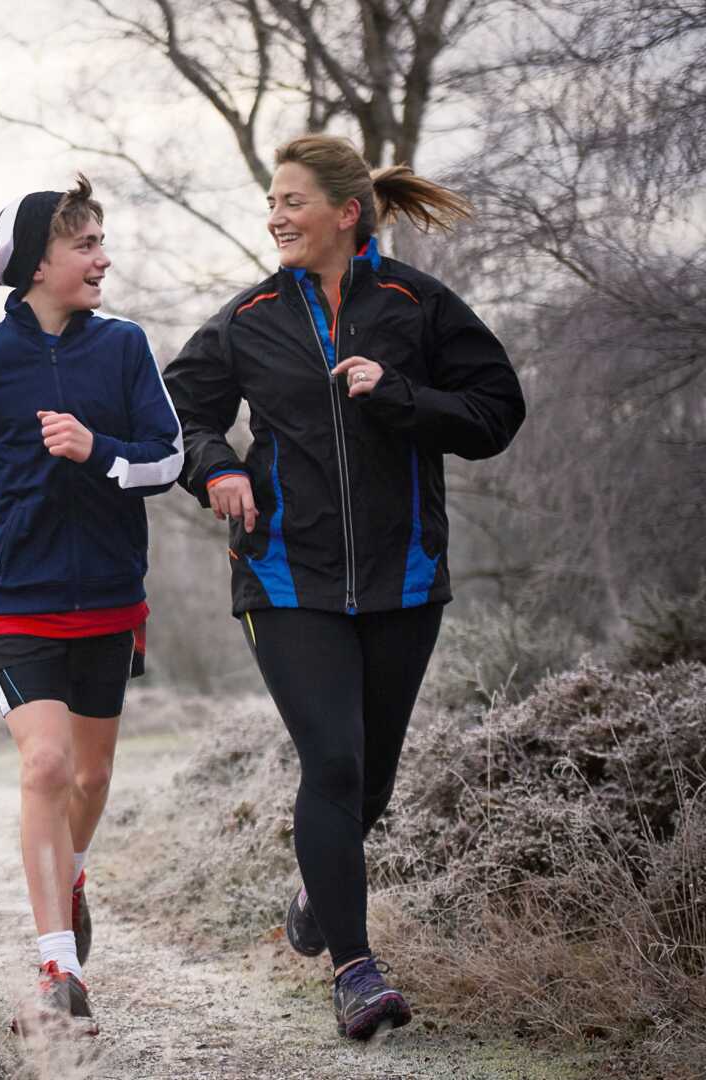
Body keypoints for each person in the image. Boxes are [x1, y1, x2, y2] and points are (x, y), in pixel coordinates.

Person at [162, 134, 526, 1041]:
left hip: (403, 575)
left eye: (291, 201)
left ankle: (317, 898)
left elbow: (494, 413)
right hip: (286, 574)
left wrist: (397, 392)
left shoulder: (417, 304)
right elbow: (179, 412)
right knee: (330, 761)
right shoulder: (247, 318)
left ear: (346, 213)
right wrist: (215, 469)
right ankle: (356, 974)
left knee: (368, 782)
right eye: (273, 203)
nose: (276, 216)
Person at [0, 177, 183, 1034]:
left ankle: (73, 872)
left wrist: (98, 452)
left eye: (101, 241)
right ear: (39, 264)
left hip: (111, 598)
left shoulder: (124, 348)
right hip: (16, 597)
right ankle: (60, 974)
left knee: (90, 777)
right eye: (86, 244)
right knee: (46, 766)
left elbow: (168, 461)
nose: (103, 258)